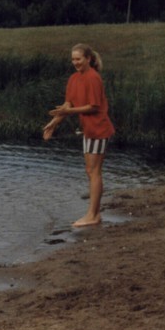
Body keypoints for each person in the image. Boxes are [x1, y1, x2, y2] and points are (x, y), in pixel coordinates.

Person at [42, 43, 115, 227]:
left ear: (88, 59)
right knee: (89, 171)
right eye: (73, 59)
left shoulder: (93, 78)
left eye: (78, 59)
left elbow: (94, 107)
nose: (75, 62)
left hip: (99, 128)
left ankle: (92, 215)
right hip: (88, 130)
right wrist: (53, 123)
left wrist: (69, 112)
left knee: (94, 171)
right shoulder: (74, 79)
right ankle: (94, 213)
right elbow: (67, 105)